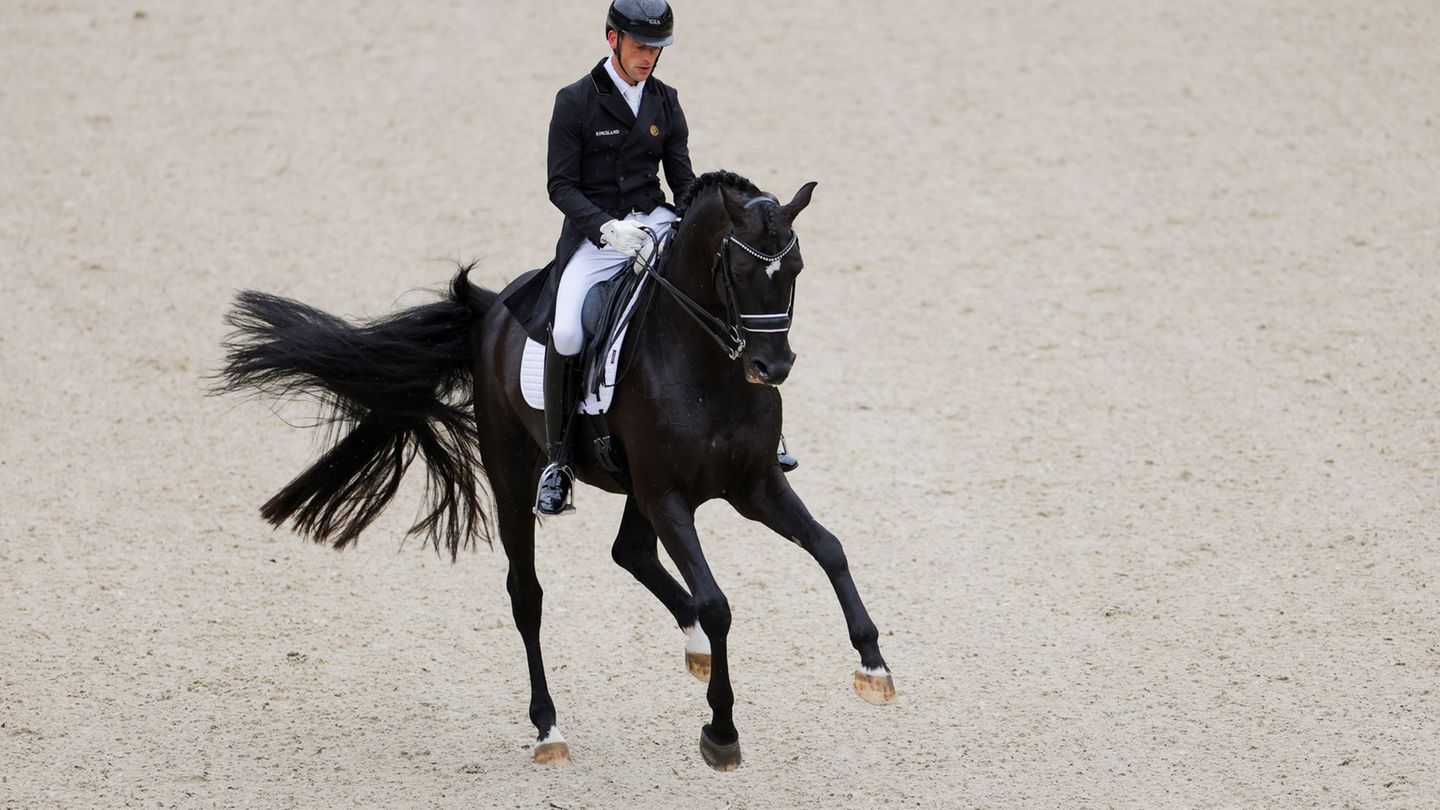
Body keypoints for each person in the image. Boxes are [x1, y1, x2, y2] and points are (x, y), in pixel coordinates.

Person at [506, 0, 793, 517]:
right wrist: (605, 227)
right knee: (568, 331)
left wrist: (696, 226)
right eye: (641, 46)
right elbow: (560, 185)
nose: (649, 58)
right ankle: (557, 461)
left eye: (657, 49)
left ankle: (764, 435)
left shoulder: (665, 100)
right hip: (596, 237)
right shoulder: (574, 101)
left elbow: (682, 179)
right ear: (612, 38)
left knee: (719, 294)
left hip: (654, 225)